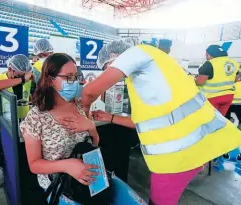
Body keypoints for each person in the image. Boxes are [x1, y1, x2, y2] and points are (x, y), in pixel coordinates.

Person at [81, 40, 241, 205]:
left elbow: (89, 91)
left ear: (114, 57)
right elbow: (141, 122)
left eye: (107, 68)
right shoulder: (149, 74)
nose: (109, 73)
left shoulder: (137, 53)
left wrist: (84, 111)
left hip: (177, 155)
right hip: (193, 149)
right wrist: (109, 117)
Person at [20, 53, 99, 190]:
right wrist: (67, 165)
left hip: (87, 179)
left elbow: (94, 144)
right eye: (68, 77)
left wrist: (92, 128)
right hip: (59, 186)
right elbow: (34, 165)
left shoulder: (79, 106)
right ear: (50, 80)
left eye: (75, 76)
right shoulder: (36, 117)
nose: (74, 82)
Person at [0, 54, 34, 168]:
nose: (20, 78)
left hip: (23, 126)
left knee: (23, 159)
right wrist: (22, 79)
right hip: (3, 127)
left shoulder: (28, 80)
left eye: (23, 75)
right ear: (10, 69)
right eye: (18, 75)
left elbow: (32, 96)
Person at [195, 45, 240, 115]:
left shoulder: (210, 63)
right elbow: (236, 80)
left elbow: (200, 81)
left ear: (209, 54)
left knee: (209, 118)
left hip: (212, 97)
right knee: (220, 118)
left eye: (206, 55)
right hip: (228, 96)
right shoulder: (234, 63)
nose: (206, 57)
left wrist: (194, 80)